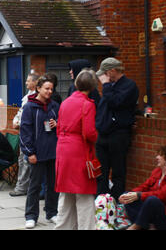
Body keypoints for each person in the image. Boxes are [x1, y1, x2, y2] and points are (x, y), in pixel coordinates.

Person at [54, 69, 99, 230]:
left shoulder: (65, 102)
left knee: (66, 194)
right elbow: (89, 133)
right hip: (79, 150)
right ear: (92, 87)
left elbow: (59, 128)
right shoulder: (87, 104)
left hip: (62, 149)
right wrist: (96, 136)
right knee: (84, 195)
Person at [95, 57, 139, 201]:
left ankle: (116, 204)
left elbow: (116, 103)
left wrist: (106, 85)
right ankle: (102, 204)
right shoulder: (111, 86)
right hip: (103, 134)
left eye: (105, 73)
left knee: (118, 172)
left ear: (113, 71)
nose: (103, 77)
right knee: (101, 172)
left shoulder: (129, 85)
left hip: (118, 135)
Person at [20, 76, 60, 229]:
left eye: (51, 89)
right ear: (38, 89)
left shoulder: (55, 106)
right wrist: (30, 152)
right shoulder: (30, 107)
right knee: (34, 186)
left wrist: (58, 123)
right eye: (47, 88)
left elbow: (64, 126)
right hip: (36, 154)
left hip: (53, 152)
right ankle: (31, 216)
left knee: (52, 185)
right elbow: (25, 132)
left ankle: (52, 213)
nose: (50, 91)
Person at [119, 145, 166, 230]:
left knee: (152, 200)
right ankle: (145, 226)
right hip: (152, 214)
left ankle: (135, 227)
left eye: (160, 155)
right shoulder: (157, 172)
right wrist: (131, 194)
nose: (157, 157)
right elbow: (144, 186)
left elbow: (162, 195)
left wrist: (139, 195)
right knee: (127, 196)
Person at [10, 72, 40, 197]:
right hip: (23, 132)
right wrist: (15, 121)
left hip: (29, 133)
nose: (26, 82)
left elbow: (29, 116)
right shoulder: (27, 95)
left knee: (26, 161)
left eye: (28, 81)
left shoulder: (36, 97)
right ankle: (22, 186)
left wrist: (20, 123)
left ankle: (23, 187)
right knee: (22, 160)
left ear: (35, 82)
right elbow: (20, 112)